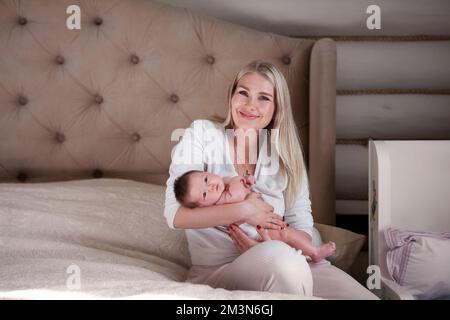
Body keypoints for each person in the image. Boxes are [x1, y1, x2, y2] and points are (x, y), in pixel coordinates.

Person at [164, 60, 316, 296]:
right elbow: (175, 215)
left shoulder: (286, 155)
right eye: (243, 93)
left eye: (264, 97)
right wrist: (245, 210)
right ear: (231, 97)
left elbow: (302, 227)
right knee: (284, 264)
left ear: (277, 108)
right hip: (218, 270)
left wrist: (267, 246)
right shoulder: (203, 133)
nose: (249, 104)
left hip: (291, 257)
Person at [173, 170, 336, 263]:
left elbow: (240, 183)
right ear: (203, 206)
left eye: (206, 179)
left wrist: (246, 180)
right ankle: (314, 252)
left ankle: (309, 251)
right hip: (256, 233)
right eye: (204, 193)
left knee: (289, 234)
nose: (211, 186)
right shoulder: (221, 201)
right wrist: (242, 186)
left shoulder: (223, 181)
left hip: (265, 224)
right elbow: (237, 194)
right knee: (284, 234)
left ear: (207, 172)